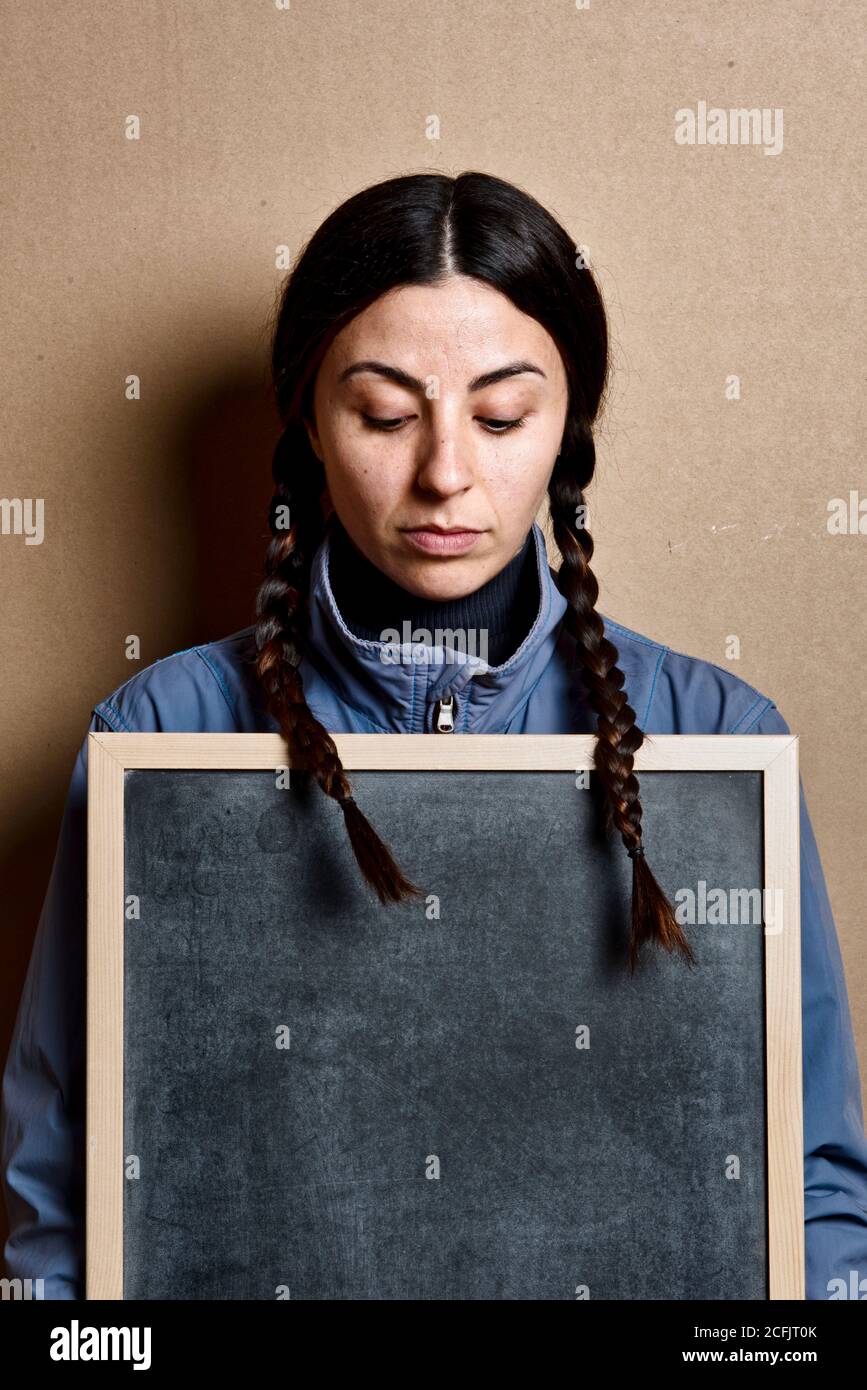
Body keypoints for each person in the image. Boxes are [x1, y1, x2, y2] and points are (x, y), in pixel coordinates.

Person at [3, 171, 866, 1300]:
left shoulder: (714, 737)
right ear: (310, 419)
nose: (446, 471)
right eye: (386, 414)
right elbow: (59, 1198)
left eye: (503, 416)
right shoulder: (159, 732)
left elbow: (807, 1187)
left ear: (570, 430)